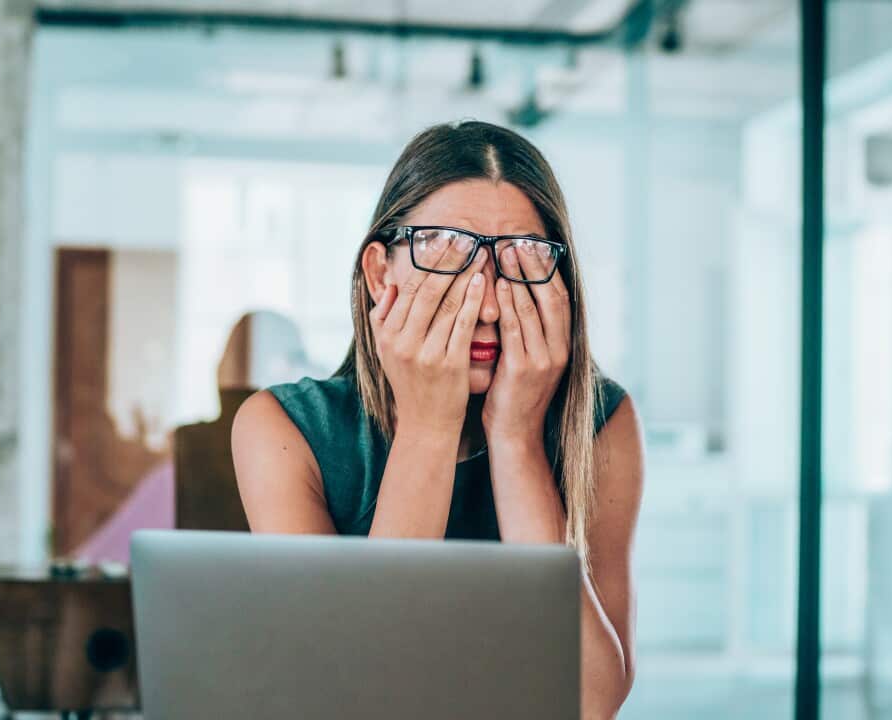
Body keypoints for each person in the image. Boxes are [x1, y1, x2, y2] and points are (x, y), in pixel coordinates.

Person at [231, 120, 644, 719]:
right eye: (447, 251)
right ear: (380, 274)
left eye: (523, 259)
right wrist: (429, 424)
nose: (489, 302)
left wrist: (516, 438)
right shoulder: (284, 429)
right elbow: (354, 696)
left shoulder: (604, 424)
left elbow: (589, 704)